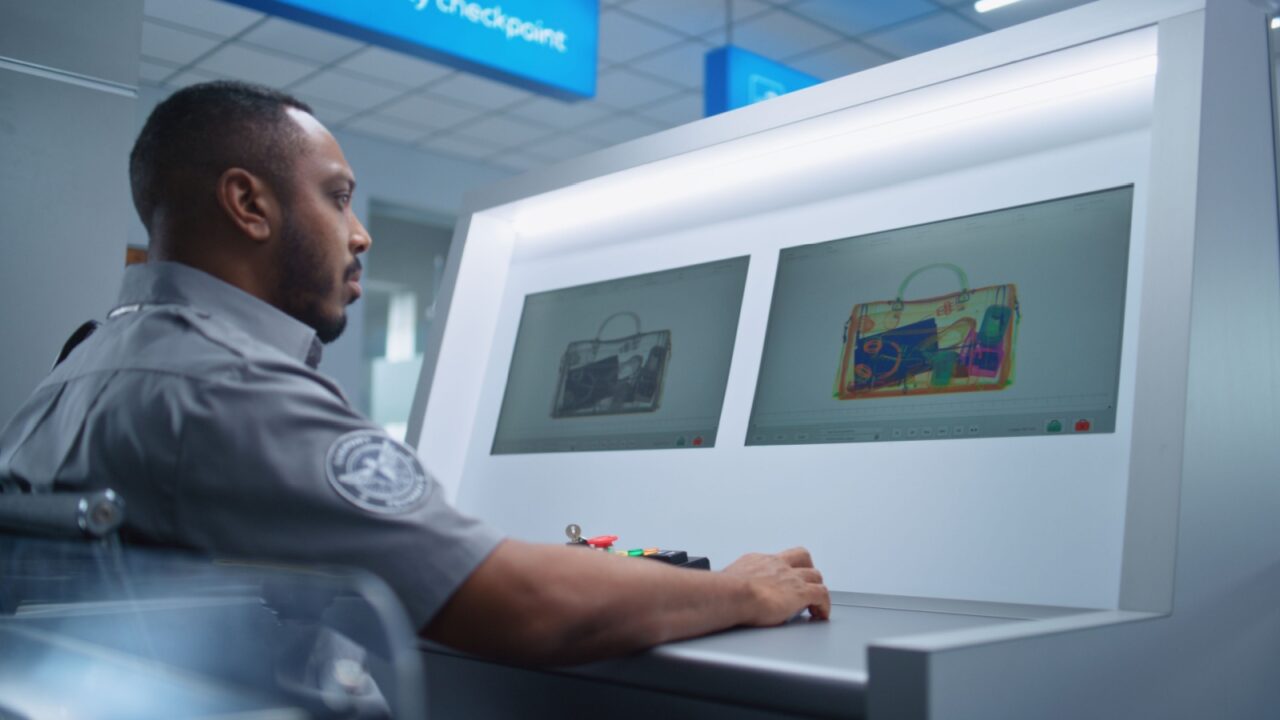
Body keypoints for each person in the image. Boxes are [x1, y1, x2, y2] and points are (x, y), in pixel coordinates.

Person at [0, 81, 829, 665]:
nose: (359, 233)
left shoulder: (76, 374)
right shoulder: (229, 387)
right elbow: (522, 606)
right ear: (249, 204)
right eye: (337, 197)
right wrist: (739, 589)